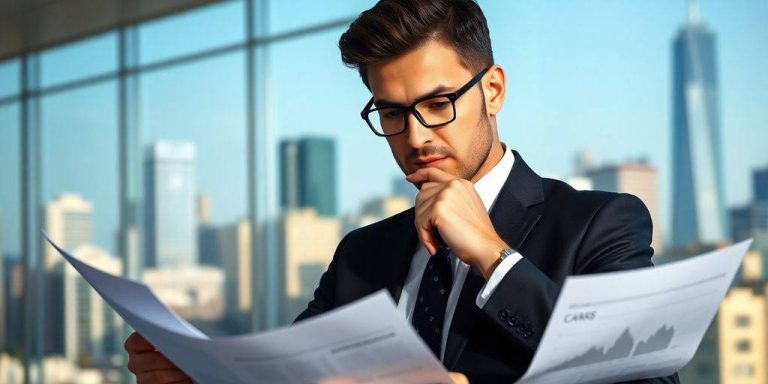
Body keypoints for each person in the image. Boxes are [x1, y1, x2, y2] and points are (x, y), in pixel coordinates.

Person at [125, 1, 681, 383]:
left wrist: (493, 256)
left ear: (492, 89)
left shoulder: (599, 222)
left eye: (438, 104)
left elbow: (645, 379)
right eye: (392, 113)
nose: (416, 136)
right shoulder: (362, 255)